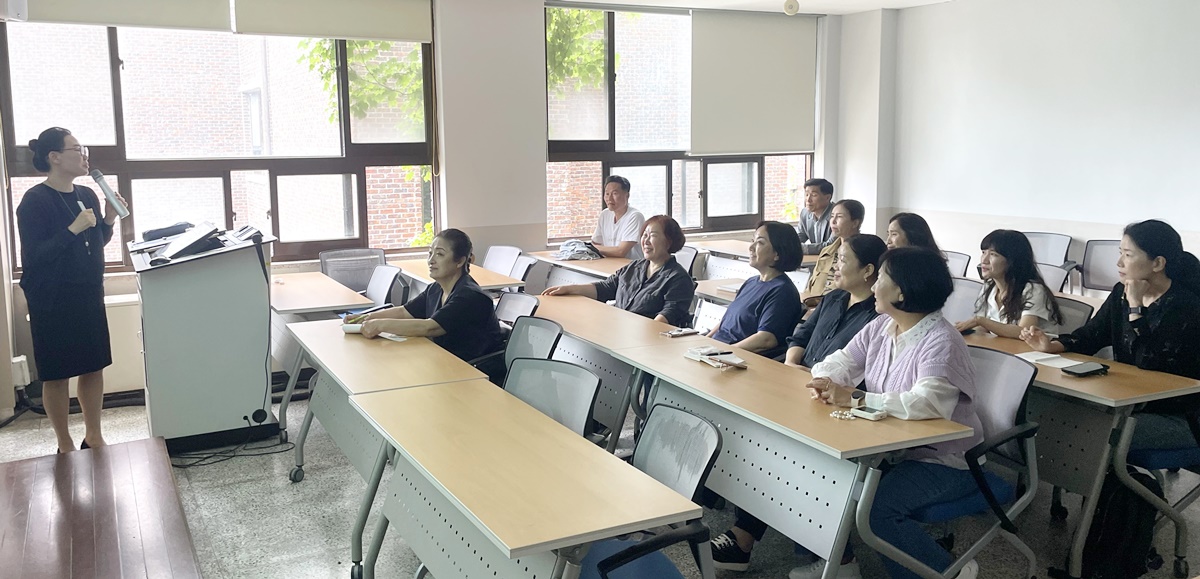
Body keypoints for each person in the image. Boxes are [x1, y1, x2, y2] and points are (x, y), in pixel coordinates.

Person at [800, 247, 984, 579]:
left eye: (881, 278)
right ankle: (842, 565)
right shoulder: (883, 326)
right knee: (820, 476)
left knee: (876, 512)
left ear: (901, 290)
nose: (873, 286)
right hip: (894, 446)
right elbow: (841, 360)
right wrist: (826, 378)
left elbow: (927, 404)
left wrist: (855, 398)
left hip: (943, 459)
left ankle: (947, 571)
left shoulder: (941, 340)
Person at [709, 234, 887, 573]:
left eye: (842, 259)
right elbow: (801, 334)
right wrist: (792, 363)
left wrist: (811, 377)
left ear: (867, 270)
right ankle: (744, 534)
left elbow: (857, 374)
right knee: (759, 437)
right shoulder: (834, 298)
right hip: (801, 382)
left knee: (788, 455)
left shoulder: (877, 316)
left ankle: (830, 557)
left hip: (835, 402)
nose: (834, 265)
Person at [1022, 219, 1200, 451]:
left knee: (1089, 431)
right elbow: (1092, 335)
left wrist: (1136, 308)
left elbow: (1150, 361)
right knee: (1060, 414)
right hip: (1131, 403)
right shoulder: (1121, 293)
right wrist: (1053, 345)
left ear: (1158, 263)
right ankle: (1117, 483)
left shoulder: (1185, 305)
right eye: (1120, 253)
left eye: (1128, 255)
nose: (1119, 262)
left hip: (1179, 416)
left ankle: (1119, 484)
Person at [18, 127, 128, 454]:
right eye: (77, 149)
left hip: (87, 293)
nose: (84, 156)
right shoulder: (34, 201)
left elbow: (93, 243)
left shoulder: (87, 194)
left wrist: (107, 221)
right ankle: (64, 442)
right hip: (52, 299)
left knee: (93, 366)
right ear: (54, 157)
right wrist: (72, 228)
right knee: (57, 374)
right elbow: (36, 257)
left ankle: (93, 434)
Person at [356, 229, 503, 362]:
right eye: (430, 253)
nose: (431, 260)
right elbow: (404, 311)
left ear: (460, 261)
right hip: (443, 360)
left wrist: (380, 325)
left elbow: (430, 327)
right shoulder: (436, 288)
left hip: (471, 370)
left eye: (439, 254)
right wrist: (365, 318)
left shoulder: (470, 296)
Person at [543, 215, 694, 327]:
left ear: (669, 241)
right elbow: (606, 288)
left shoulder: (678, 279)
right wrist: (569, 289)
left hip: (647, 343)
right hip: (621, 332)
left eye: (653, 236)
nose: (646, 241)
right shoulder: (635, 267)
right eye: (644, 235)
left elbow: (667, 317)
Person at [708, 221, 803, 354]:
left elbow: (766, 339)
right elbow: (726, 323)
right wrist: (705, 342)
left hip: (734, 358)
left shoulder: (782, 291)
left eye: (760, 242)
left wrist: (722, 352)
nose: (751, 247)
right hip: (717, 351)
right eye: (753, 240)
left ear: (777, 254)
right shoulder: (751, 282)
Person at [955, 229, 1063, 338]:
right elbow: (982, 329)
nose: (984, 260)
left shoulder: (1033, 290)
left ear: (1012, 261)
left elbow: (1023, 333)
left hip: (1032, 352)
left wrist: (980, 321)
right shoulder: (989, 286)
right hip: (1003, 348)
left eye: (993, 254)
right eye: (983, 252)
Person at [801, 199, 864, 307]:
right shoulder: (827, 251)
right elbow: (811, 286)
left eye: (839, 217)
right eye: (832, 216)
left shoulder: (862, 252)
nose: (833, 221)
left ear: (855, 223)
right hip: (812, 307)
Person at [590, 175, 645, 259]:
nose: (609, 198)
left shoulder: (635, 216)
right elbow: (595, 243)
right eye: (607, 193)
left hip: (631, 268)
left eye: (614, 193)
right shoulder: (604, 214)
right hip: (609, 265)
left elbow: (621, 251)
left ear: (627, 195)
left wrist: (592, 248)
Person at [796, 178, 836, 255]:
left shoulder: (836, 215)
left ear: (827, 197)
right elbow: (801, 236)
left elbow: (831, 246)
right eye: (806, 194)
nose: (808, 199)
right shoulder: (805, 213)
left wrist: (802, 248)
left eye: (814, 195)